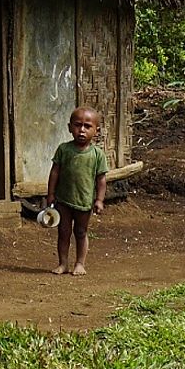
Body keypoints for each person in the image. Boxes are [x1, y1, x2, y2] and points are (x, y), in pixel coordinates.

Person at [43, 106, 109, 276]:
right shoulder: (64, 150)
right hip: (63, 201)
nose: (81, 130)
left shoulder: (97, 154)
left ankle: (80, 263)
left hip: (84, 202)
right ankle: (63, 263)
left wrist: (99, 200)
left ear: (96, 130)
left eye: (87, 126)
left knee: (81, 232)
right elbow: (54, 172)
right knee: (63, 232)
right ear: (69, 127)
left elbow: (101, 180)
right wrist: (50, 194)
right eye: (77, 125)